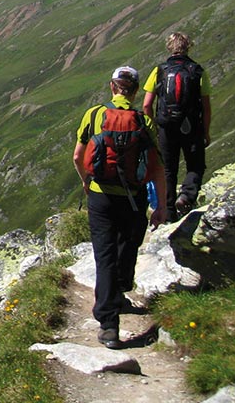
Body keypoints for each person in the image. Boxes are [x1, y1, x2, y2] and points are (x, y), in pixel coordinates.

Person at [73, 66, 166, 349]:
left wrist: (87, 182)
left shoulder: (94, 115)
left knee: (105, 256)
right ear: (136, 91)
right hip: (133, 198)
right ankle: (120, 290)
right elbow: (157, 168)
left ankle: (109, 324)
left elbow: (78, 156)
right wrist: (161, 206)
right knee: (127, 246)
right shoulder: (143, 121)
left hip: (100, 197)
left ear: (113, 87)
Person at [142, 32, 212, 220]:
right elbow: (206, 107)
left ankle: (169, 213)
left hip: (165, 127)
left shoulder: (160, 71)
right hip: (192, 126)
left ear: (169, 48)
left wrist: (154, 129)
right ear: (188, 47)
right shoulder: (198, 71)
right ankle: (187, 196)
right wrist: (205, 132)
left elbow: (147, 105)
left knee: (168, 169)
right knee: (195, 164)